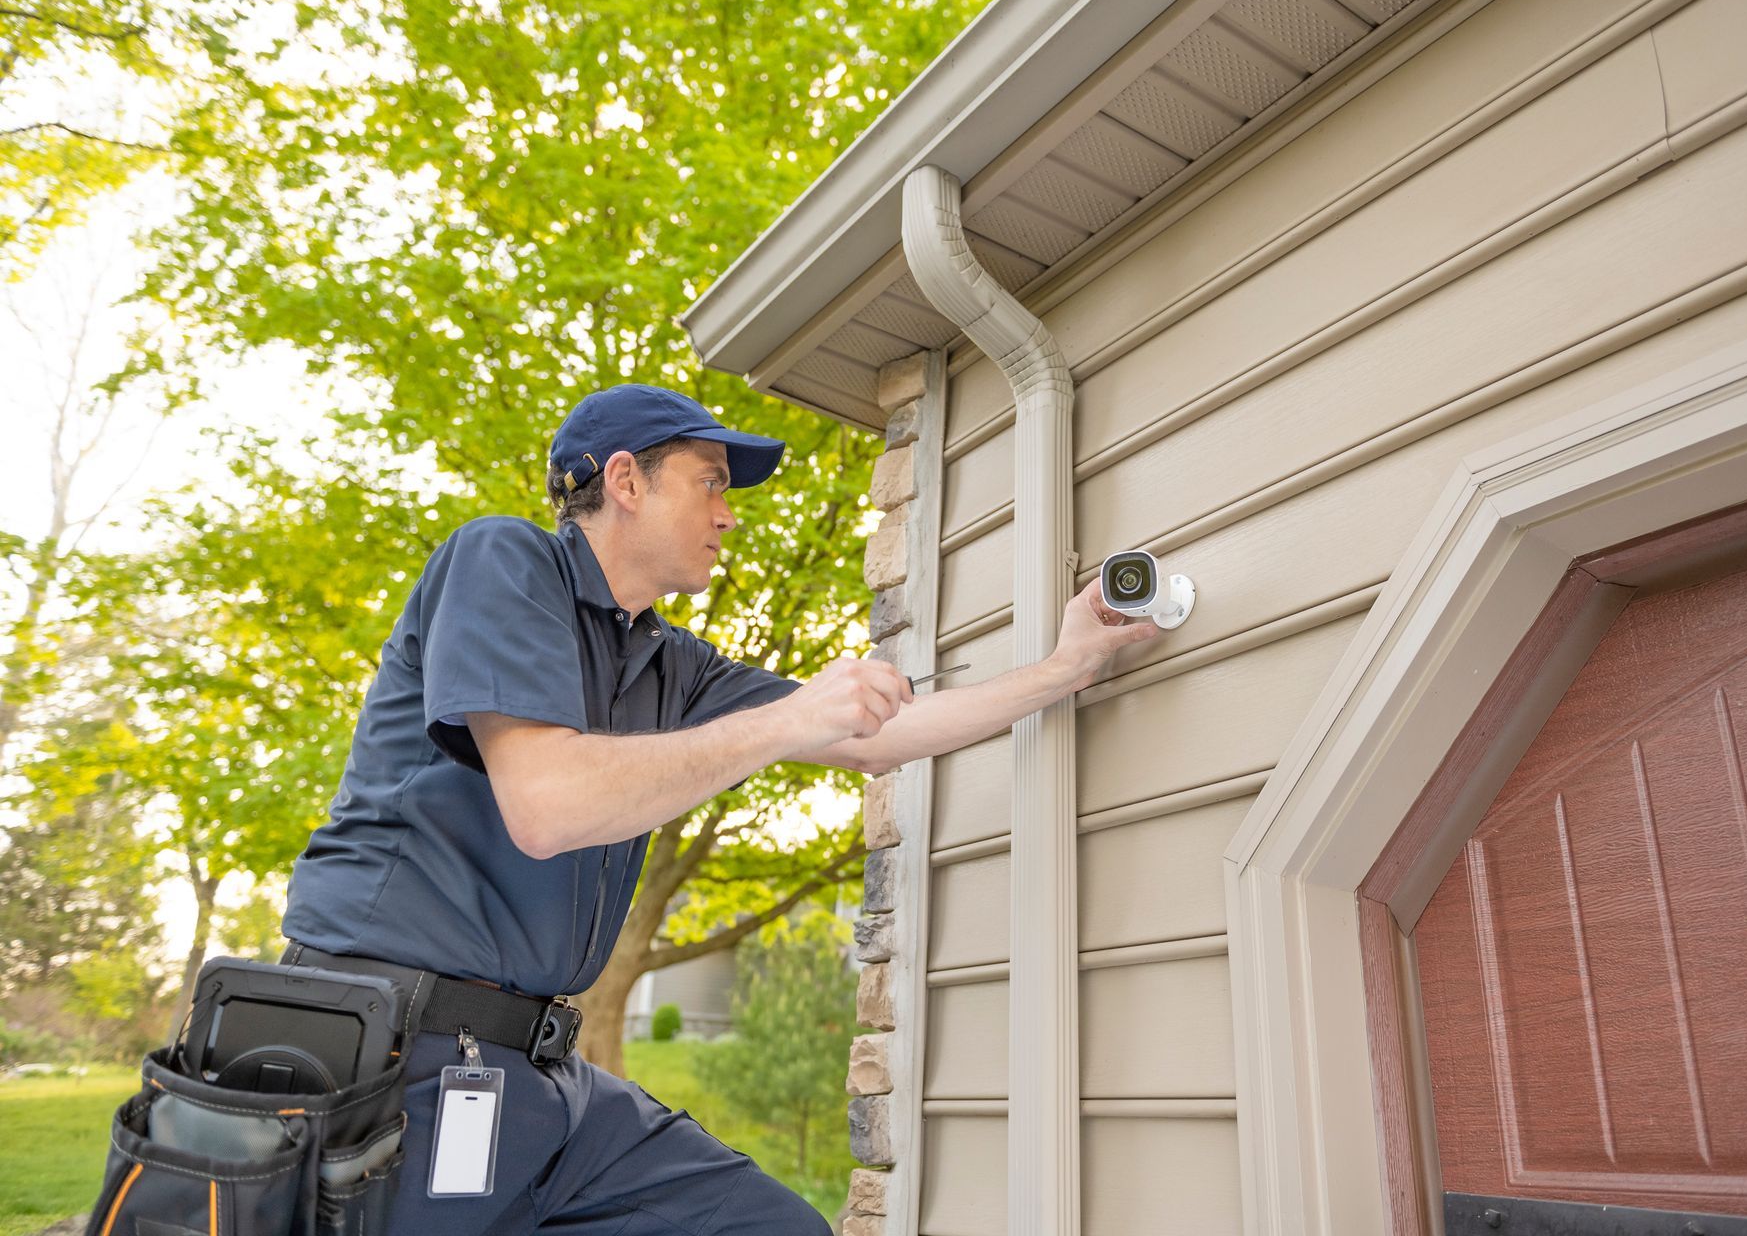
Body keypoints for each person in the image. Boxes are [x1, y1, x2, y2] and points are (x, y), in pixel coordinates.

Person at [277, 383, 1159, 1233]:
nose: (728, 514)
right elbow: (547, 807)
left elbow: (877, 733)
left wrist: (1066, 669)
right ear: (624, 481)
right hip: (395, 1057)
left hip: (533, 1072)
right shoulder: (501, 560)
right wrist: (785, 720)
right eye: (709, 483)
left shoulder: (672, 664)